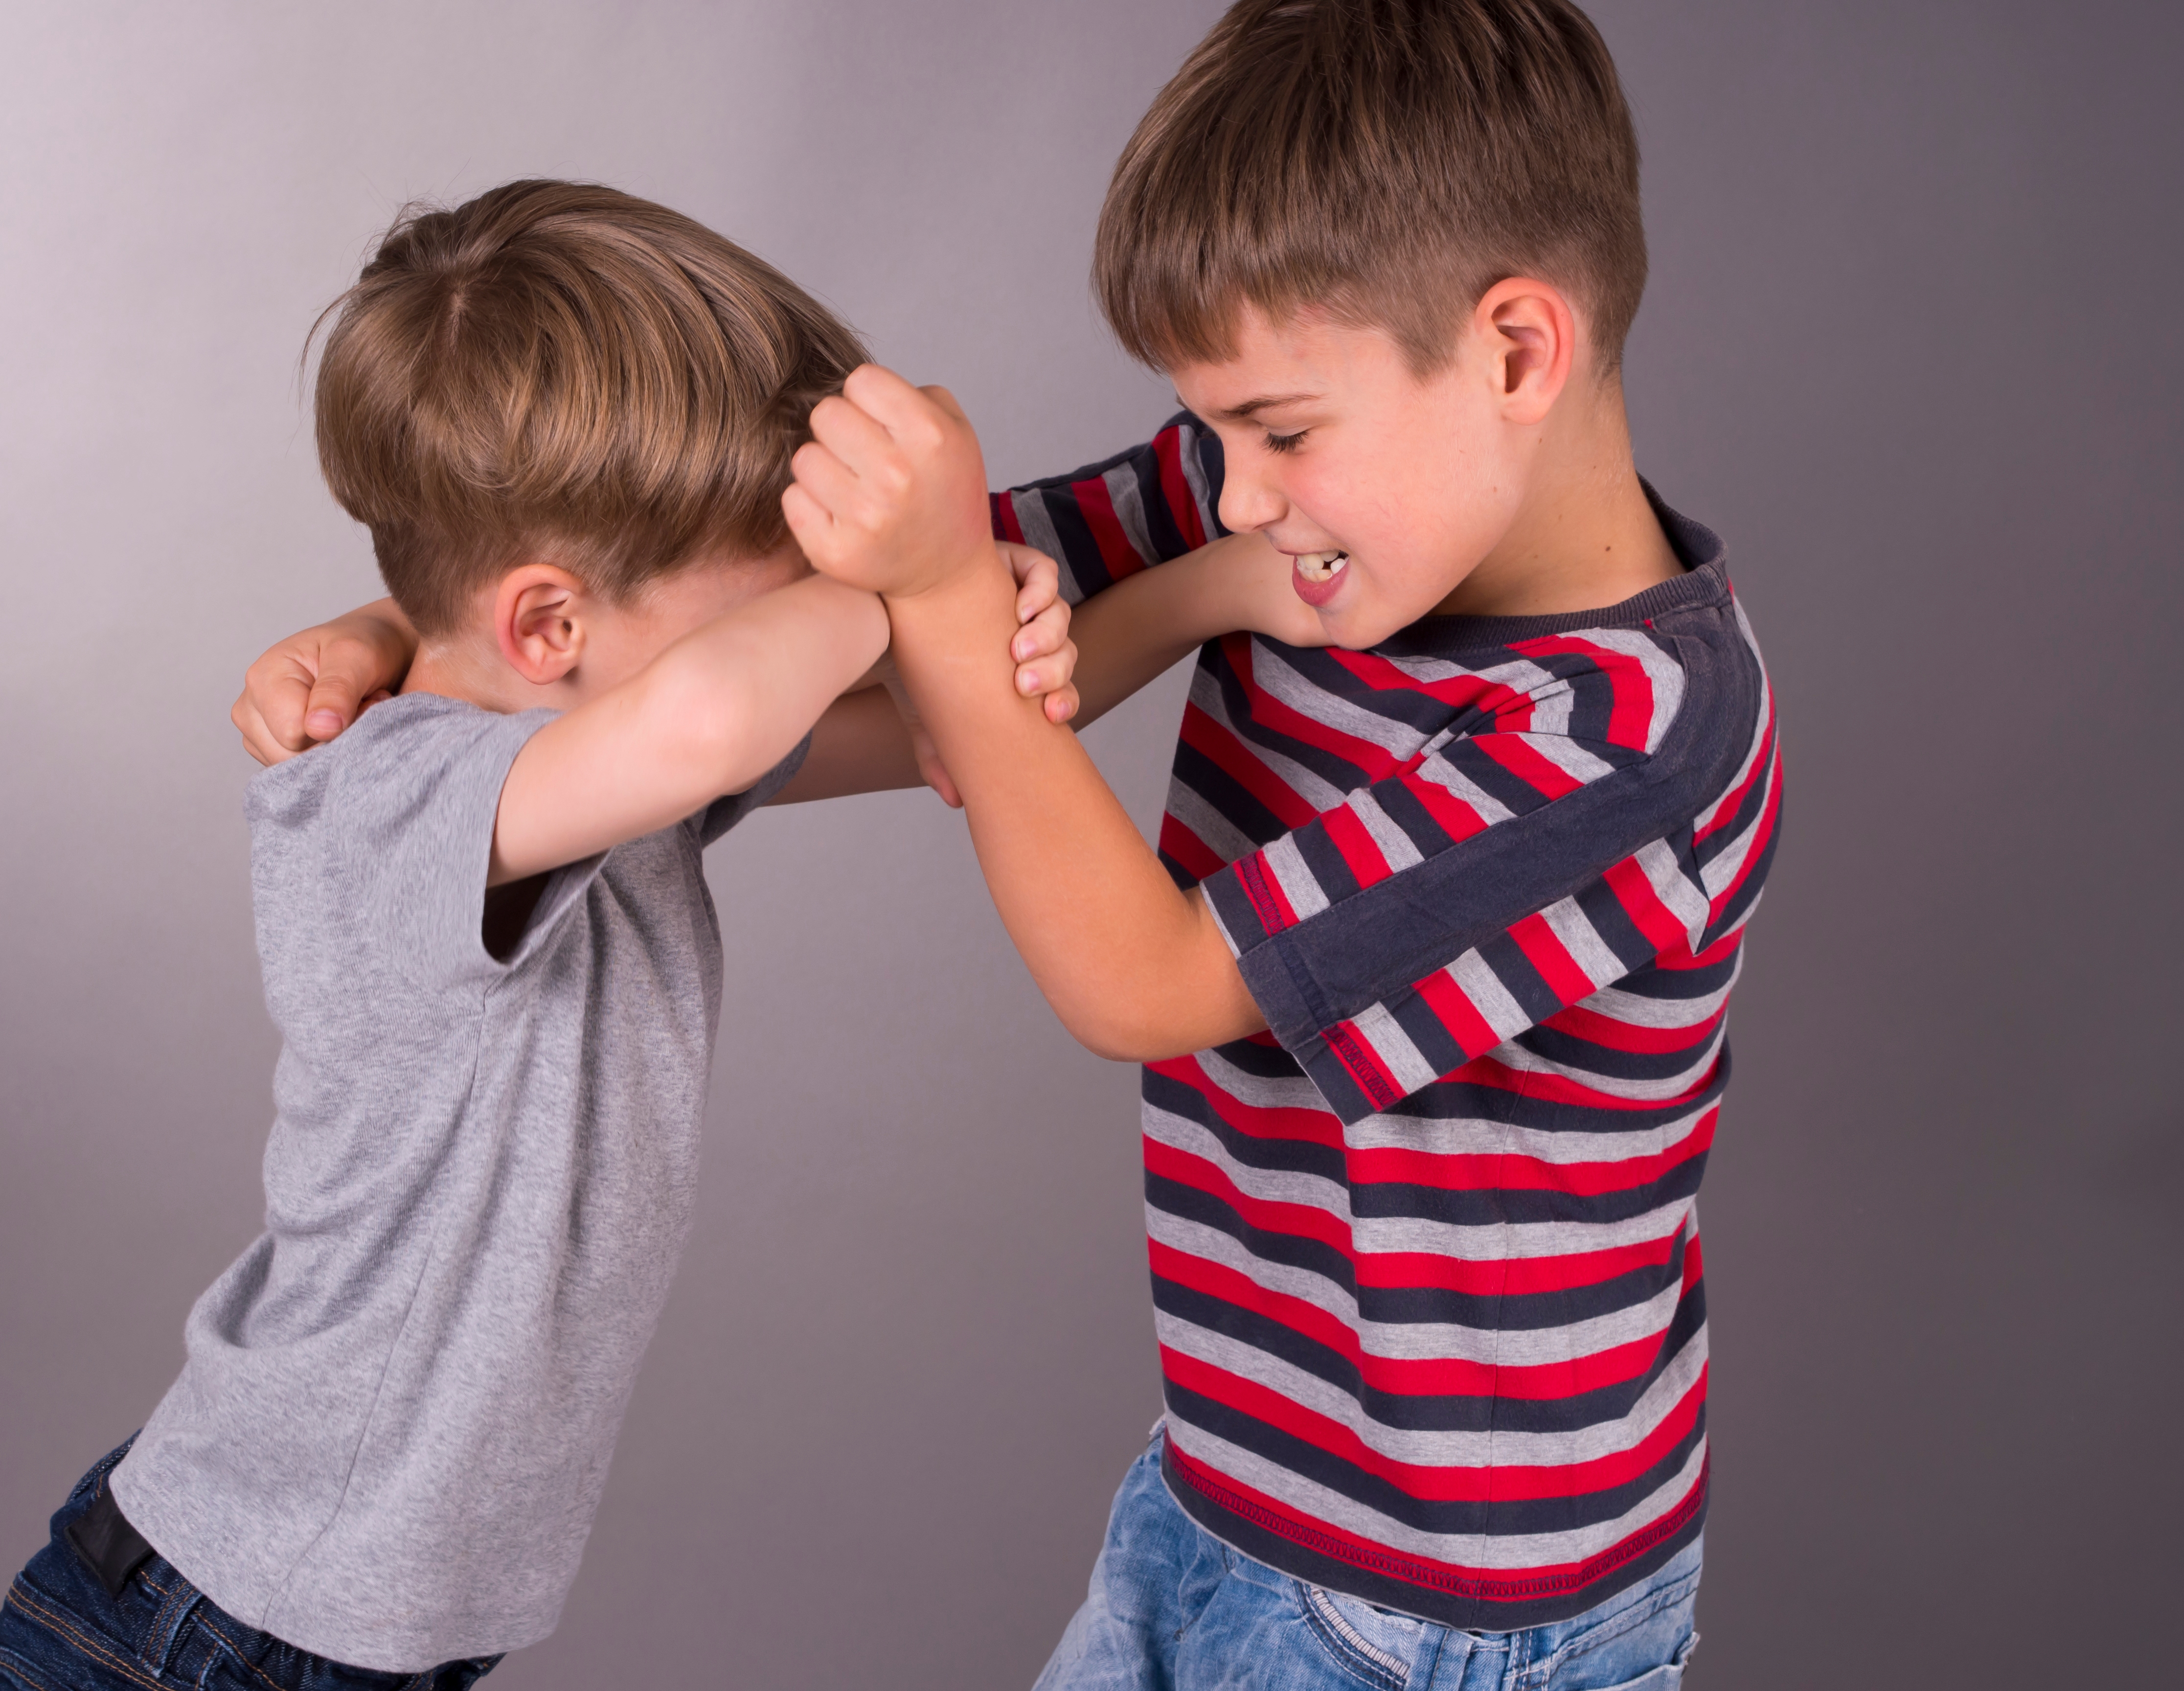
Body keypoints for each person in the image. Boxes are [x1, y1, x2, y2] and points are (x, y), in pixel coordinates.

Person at [235, 2, 1782, 1685]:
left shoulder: (1627, 734)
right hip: (1227, 1494)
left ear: (1514, 352)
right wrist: (420, 616)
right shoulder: (1278, 499)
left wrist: (959, 608)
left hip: (1442, 1606)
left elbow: (1150, 979)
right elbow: (823, 606)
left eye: (1277, 429)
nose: (1239, 491)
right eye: (1217, 434)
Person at [0, 179, 1084, 1691]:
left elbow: (949, 734)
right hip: (204, 1631)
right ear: (550, 628)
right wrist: (915, 580)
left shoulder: (598, 780)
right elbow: (710, 708)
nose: (818, 620)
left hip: (339, 1633)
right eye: (779, 601)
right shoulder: (382, 801)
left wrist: (1186, 599)